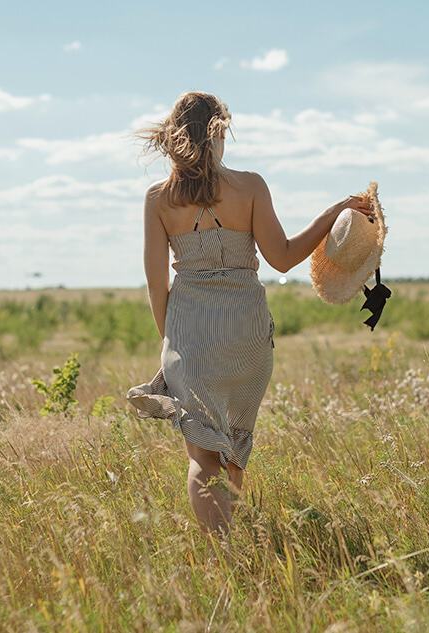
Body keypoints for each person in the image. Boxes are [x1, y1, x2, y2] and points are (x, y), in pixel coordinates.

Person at [128, 91, 374, 536]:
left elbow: (155, 282)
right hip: (247, 334)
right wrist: (334, 213)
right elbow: (282, 258)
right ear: (219, 132)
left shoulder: (158, 199)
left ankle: (220, 549)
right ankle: (230, 537)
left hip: (191, 337)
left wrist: (173, 346)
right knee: (234, 449)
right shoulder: (251, 186)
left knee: (202, 457)